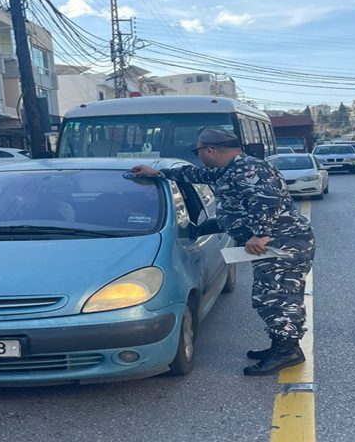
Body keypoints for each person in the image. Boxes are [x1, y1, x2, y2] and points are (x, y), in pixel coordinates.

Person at [129, 128, 315, 376]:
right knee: (271, 296)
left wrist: (261, 234)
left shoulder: (249, 169)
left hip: (282, 244)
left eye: (198, 151)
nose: (199, 156)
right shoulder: (230, 169)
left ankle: (287, 351)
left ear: (209, 150)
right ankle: (282, 345)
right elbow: (196, 174)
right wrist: (160, 173)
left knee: (278, 298)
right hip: (275, 243)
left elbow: (268, 200)